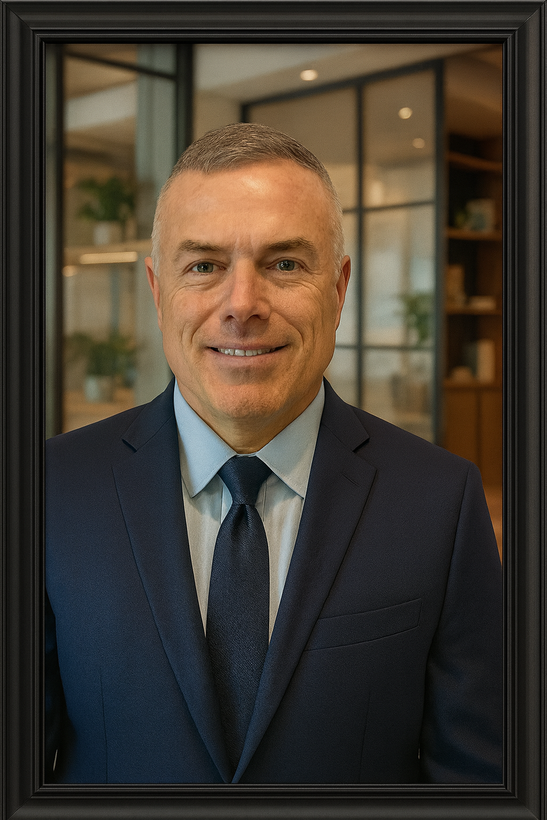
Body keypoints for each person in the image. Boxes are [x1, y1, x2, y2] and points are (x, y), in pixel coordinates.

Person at [46, 123, 502, 785]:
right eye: (202, 265)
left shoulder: (442, 500)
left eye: (284, 264)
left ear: (339, 288)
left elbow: (479, 780)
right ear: (155, 289)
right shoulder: (47, 489)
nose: (241, 305)